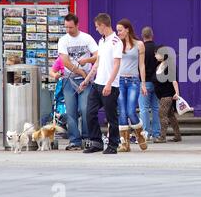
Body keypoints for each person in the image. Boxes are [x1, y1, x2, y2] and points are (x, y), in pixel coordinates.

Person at [80, 13, 123, 154]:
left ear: (103, 25)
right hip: (97, 83)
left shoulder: (116, 42)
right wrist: (87, 80)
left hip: (110, 85)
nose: (96, 29)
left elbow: (117, 64)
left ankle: (113, 145)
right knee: (89, 113)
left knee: (111, 117)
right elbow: (97, 63)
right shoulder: (101, 41)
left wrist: (109, 84)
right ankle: (96, 142)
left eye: (97, 27)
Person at [58, 13, 98, 151]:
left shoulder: (87, 38)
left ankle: (87, 138)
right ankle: (74, 140)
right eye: (66, 27)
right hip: (69, 79)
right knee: (71, 111)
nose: (68, 30)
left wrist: (86, 61)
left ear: (77, 25)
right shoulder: (63, 40)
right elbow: (64, 61)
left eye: (71, 27)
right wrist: (80, 71)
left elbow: (98, 55)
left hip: (85, 80)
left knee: (85, 108)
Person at [116, 18, 147, 152]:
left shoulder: (139, 44)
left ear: (127, 29)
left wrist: (143, 84)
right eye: (117, 31)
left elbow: (142, 65)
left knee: (130, 111)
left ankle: (140, 135)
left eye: (120, 30)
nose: (118, 33)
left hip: (134, 81)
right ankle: (125, 143)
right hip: (120, 81)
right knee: (122, 112)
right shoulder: (117, 44)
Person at [153, 46, 182, 143]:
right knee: (170, 115)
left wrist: (177, 93)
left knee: (162, 114)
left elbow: (174, 81)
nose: (155, 55)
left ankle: (162, 137)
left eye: (156, 53)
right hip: (161, 95)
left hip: (168, 95)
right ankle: (177, 136)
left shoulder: (170, 66)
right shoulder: (159, 65)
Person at [139, 26, 161, 141]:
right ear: (152, 35)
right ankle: (157, 133)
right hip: (156, 83)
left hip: (144, 82)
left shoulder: (141, 49)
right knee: (155, 108)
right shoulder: (157, 49)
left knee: (144, 109)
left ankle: (146, 133)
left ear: (142, 36)